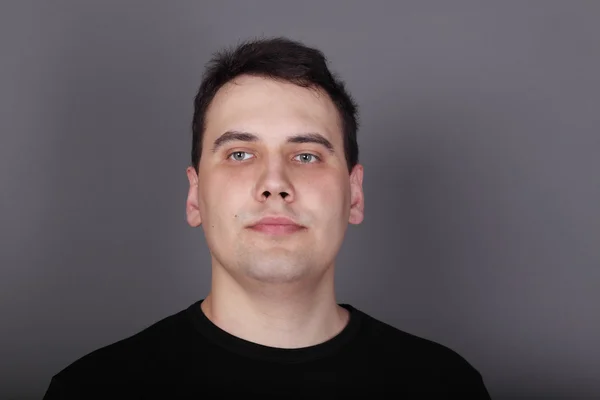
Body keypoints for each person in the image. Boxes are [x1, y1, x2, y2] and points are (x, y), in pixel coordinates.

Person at [43, 37, 491, 399]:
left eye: (307, 155)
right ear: (195, 195)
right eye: (240, 153)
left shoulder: (446, 386)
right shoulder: (93, 389)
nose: (274, 183)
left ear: (354, 195)